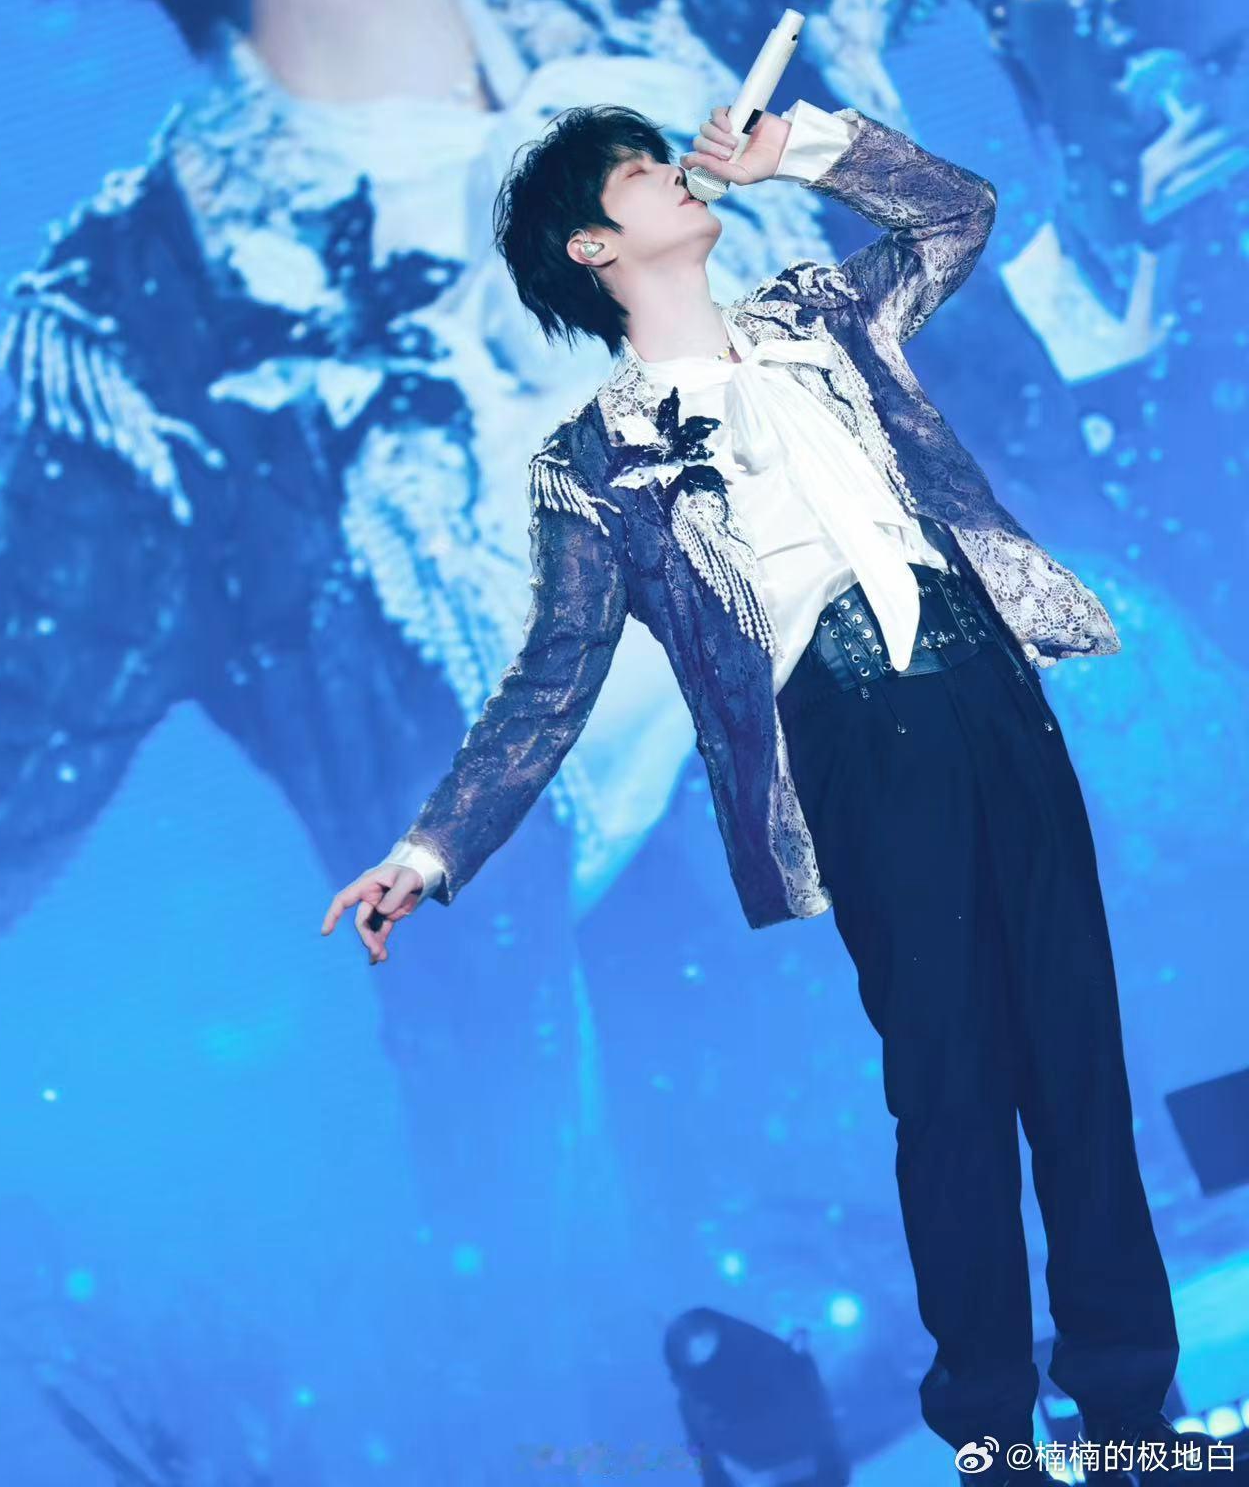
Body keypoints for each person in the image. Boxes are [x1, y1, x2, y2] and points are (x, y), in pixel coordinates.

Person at [322, 96, 1221, 1483]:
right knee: (954, 1089)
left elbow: (957, 214)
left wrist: (803, 152)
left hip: (992, 693)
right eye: (642, 172)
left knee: (1080, 1064)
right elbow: (552, 679)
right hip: (856, 743)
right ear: (592, 247)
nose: (676, 171)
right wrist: (432, 850)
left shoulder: (822, 316)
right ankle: (993, 1435)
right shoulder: (594, 464)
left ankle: (1132, 1424)